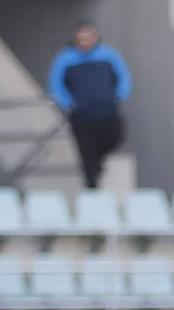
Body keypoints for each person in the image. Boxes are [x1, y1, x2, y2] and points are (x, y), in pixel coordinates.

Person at [47, 20, 131, 189]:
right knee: (87, 153)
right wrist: (68, 103)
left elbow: (123, 76)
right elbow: (55, 83)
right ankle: (92, 190)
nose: (85, 39)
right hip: (82, 115)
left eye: (88, 35)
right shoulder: (65, 58)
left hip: (107, 111)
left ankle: (98, 163)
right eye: (81, 36)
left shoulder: (108, 55)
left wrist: (119, 95)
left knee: (115, 137)